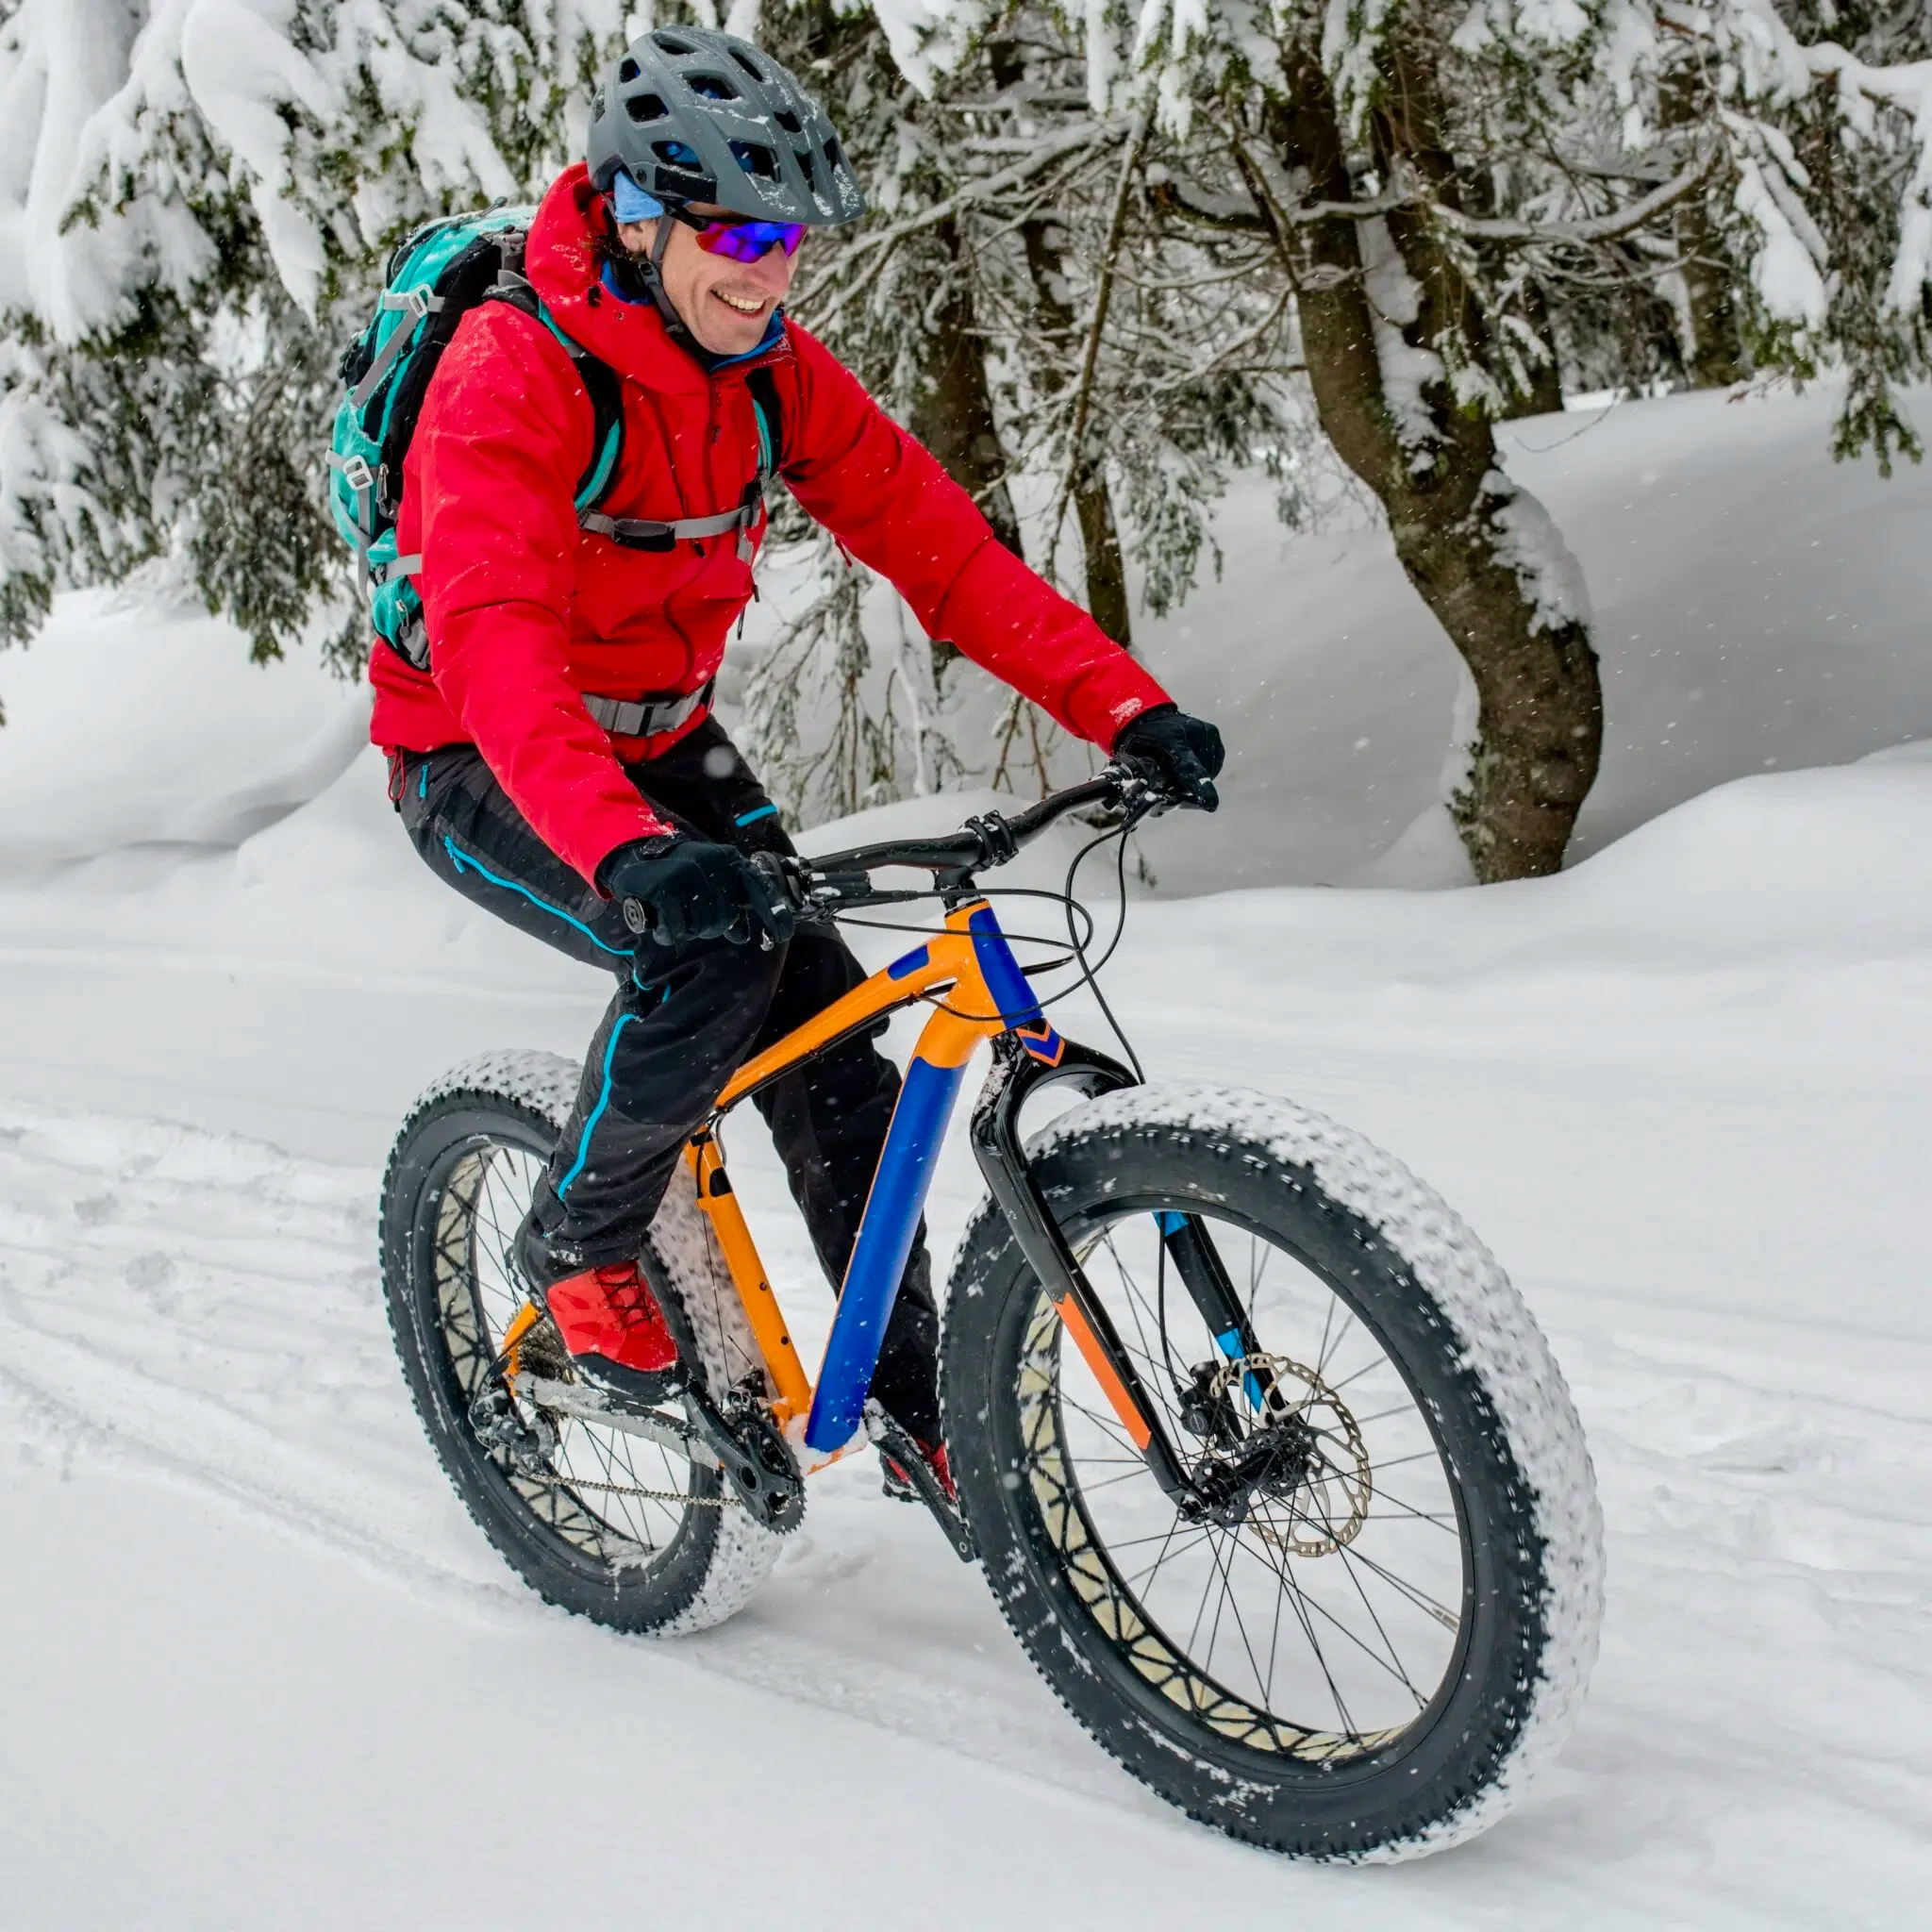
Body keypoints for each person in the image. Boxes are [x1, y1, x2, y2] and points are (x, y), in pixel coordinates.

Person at [371, 25, 1223, 1489]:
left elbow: (945, 555)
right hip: (477, 753)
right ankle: (579, 1243)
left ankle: (920, 1417)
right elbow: (501, 652)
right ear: (640, 217)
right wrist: (633, 851)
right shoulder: (511, 379)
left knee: (828, 1040)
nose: (773, 272)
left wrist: (1125, 706)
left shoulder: (770, 371)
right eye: (742, 235)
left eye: (795, 239)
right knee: (702, 958)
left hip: (663, 736)